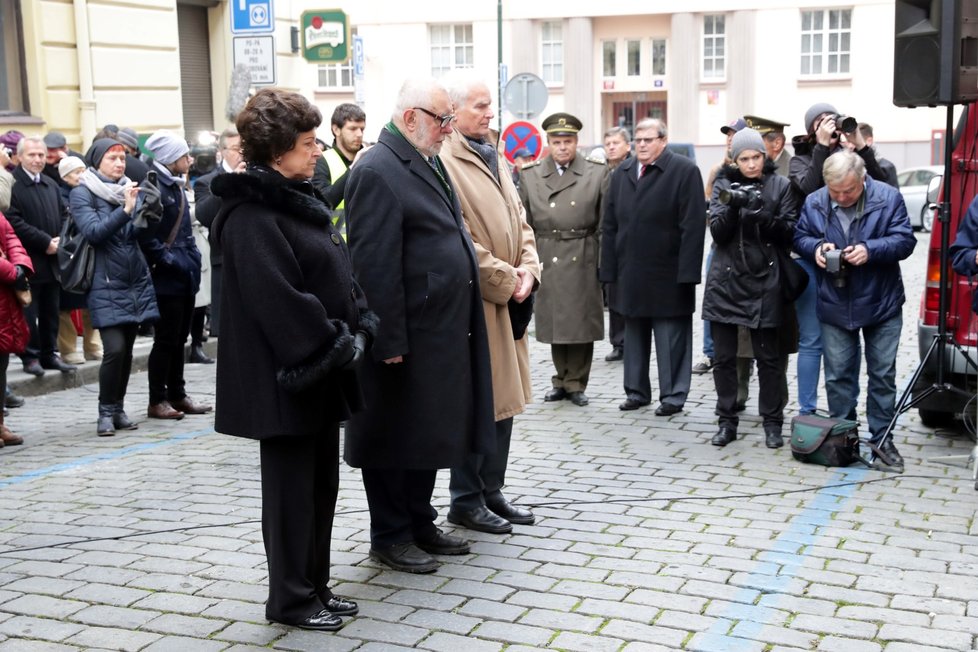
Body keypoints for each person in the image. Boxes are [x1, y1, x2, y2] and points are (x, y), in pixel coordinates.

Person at [210, 87, 373, 632]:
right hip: (288, 377)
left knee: (319, 487)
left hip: (317, 375)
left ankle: (314, 584)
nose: (316, 151)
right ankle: (290, 598)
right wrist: (334, 342)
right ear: (277, 151)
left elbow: (332, 267)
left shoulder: (293, 197)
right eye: (307, 144)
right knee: (290, 496)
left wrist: (355, 321)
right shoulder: (252, 214)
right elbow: (278, 299)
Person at [344, 78, 494, 574]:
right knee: (394, 436)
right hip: (405, 335)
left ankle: (419, 520)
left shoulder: (423, 158)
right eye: (442, 119)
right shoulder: (378, 168)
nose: (449, 130)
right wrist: (385, 338)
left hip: (437, 330)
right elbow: (373, 265)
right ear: (411, 118)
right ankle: (390, 533)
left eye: (451, 118)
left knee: (429, 431)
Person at [439, 73, 541, 535]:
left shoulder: (494, 153)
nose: (489, 113)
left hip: (511, 298)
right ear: (454, 111)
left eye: (489, 105)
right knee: (480, 401)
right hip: (480, 302)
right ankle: (466, 497)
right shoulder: (446, 159)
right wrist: (507, 278)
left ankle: (491, 488)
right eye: (479, 106)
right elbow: (459, 238)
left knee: (508, 400)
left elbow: (521, 222)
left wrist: (531, 269)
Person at [794, 150, 916, 471]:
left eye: (849, 190)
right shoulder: (816, 201)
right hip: (835, 301)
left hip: (881, 302)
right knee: (837, 377)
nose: (842, 197)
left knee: (882, 375)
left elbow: (905, 241)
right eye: (836, 192)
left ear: (863, 179)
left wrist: (870, 250)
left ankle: (882, 439)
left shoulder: (888, 197)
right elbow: (800, 236)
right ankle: (843, 439)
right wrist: (816, 249)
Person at [600, 118, 705, 416]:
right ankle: (636, 391)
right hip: (630, 272)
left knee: (670, 338)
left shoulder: (684, 171)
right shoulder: (622, 173)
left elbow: (693, 226)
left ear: (663, 140)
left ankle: (672, 396)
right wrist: (607, 271)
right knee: (633, 337)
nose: (642, 145)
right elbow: (609, 226)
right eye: (639, 140)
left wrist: (688, 275)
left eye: (649, 139)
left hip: (669, 274)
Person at [702, 128, 799, 448]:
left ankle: (773, 423)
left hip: (766, 280)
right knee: (724, 358)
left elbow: (789, 233)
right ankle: (726, 421)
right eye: (744, 159)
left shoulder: (781, 185)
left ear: (764, 155)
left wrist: (762, 217)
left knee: (769, 358)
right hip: (726, 280)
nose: (752, 164)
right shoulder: (723, 184)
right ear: (735, 159)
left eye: (756, 157)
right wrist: (732, 205)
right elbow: (717, 232)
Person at [71, 138, 159, 436]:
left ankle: (119, 408)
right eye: (112, 159)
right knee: (114, 349)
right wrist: (125, 209)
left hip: (134, 278)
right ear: (97, 162)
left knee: (128, 350)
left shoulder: (127, 189)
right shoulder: (82, 193)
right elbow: (95, 233)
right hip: (103, 281)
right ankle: (105, 412)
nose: (119, 163)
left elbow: (134, 236)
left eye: (122, 158)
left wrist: (150, 211)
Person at [518, 112, 607, 407]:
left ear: (577, 142)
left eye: (568, 141)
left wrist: (603, 263)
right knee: (556, 321)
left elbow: (605, 223)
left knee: (579, 322)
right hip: (548, 252)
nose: (563, 147)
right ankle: (560, 377)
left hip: (582, 251)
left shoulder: (596, 173)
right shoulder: (531, 175)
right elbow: (524, 223)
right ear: (548, 143)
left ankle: (576, 381)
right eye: (557, 142)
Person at [141, 131, 210, 420]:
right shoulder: (153, 186)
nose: (189, 159)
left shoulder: (176, 185)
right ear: (170, 158)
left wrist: (191, 259)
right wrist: (170, 260)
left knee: (180, 337)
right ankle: (157, 399)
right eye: (184, 155)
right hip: (166, 276)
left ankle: (177, 394)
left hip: (184, 273)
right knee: (165, 340)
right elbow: (145, 234)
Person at [6, 135, 76, 376]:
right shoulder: (12, 184)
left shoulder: (50, 183)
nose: (37, 159)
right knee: (28, 312)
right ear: (19, 157)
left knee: (51, 310)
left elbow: (65, 215)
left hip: (53, 259)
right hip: (28, 259)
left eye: (41, 155)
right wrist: (45, 241)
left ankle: (49, 353)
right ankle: (30, 356)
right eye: (32, 155)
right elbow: (13, 221)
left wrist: (60, 240)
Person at [695, 117, 746, 376]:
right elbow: (708, 197)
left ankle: (742, 355)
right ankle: (710, 353)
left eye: (735, 134)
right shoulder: (717, 169)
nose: (729, 138)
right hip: (717, 244)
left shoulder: (751, 168)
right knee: (712, 299)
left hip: (744, 248)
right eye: (727, 134)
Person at [193, 127, 244, 341]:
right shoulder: (208, 182)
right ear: (222, 151)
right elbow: (204, 215)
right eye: (235, 149)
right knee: (230, 336)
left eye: (243, 148)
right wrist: (232, 183)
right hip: (226, 261)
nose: (241, 153)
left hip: (254, 259)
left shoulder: (256, 174)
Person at [56, 156, 103, 365]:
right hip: (68, 253)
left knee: (89, 302)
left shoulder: (91, 191)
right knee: (65, 305)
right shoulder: (59, 194)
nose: (81, 175)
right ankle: (68, 349)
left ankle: (92, 346)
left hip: (88, 251)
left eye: (83, 170)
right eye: (76, 172)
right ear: (65, 176)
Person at [0, 211, 32, 447]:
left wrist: (21, 264)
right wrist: (12, 272)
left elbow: (11, 237)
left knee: (1, 364)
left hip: (5, 296)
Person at [312, 103, 365, 236]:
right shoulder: (322, 161)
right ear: (336, 130)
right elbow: (322, 203)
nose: (359, 134)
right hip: (338, 248)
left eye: (362, 129)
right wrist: (353, 169)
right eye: (353, 129)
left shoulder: (370, 160)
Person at [602, 126, 631, 363]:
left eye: (616, 143)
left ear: (627, 146)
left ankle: (629, 341)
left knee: (627, 294)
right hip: (607, 240)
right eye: (608, 143)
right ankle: (618, 342)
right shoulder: (603, 171)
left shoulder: (631, 170)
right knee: (613, 296)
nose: (611, 147)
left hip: (628, 243)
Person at [856, 123, 899, 188]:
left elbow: (891, 196)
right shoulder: (851, 164)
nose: (850, 145)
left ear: (869, 141)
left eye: (856, 142)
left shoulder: (887, 167)